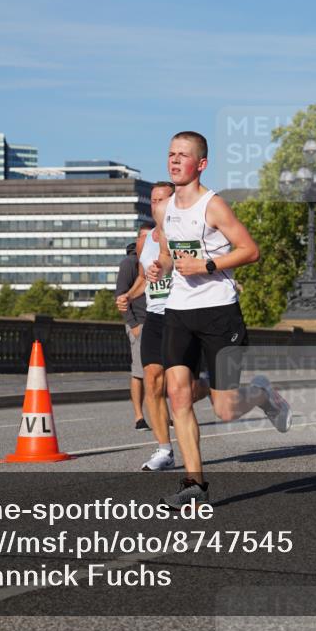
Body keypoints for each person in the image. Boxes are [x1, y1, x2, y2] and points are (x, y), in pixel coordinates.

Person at [146, 131, 291, 507]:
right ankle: (194, 485)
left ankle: (262, 394)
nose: (174, 161)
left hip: (219, 312)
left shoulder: (214, 206)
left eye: (183, 155)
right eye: (171, 154)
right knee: (177, 393)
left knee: (224, 410)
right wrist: (158, 268)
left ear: (201, 164)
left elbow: (250, 250)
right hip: (179, 310)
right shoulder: (164, 208)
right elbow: (166, 251)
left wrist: (206, 264)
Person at [117, 182, 213, 471]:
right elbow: (146, 277)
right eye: (154, 200)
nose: (157, 204)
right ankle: (164, 449)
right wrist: (129, 296)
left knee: (184, 390)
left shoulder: (186, 232)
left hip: (183, 314)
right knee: (152, 380)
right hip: (155, 316)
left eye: (163, 198)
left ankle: (210, 387)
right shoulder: (148, 239)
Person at [115, 230, 149, 430]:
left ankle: (165, 414)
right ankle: (139, 416)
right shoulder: (130, 263)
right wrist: (133, 324)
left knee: (161, 373)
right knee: (139, 372)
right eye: (143, 237)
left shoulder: (159, 258)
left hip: (160, 321)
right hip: (140, 323)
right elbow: (120, 295)